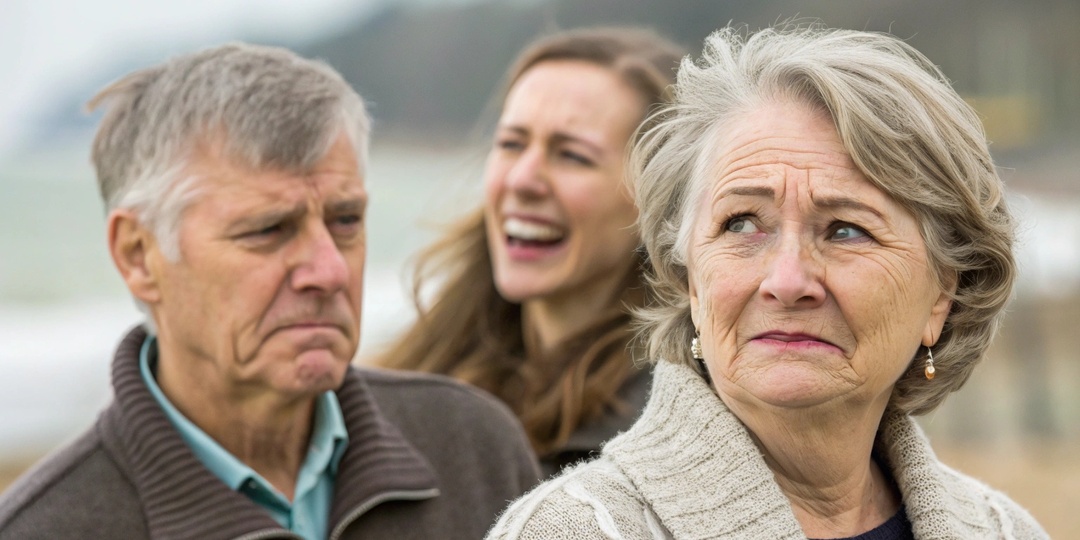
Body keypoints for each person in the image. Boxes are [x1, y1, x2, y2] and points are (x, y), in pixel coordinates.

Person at [487, 24, 1050, 539]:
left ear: (943, 293)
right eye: (742, 223)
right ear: (689, 278)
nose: (787, 281)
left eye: (846, 230)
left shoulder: (1005, 530)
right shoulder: (575, 530)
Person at [0, 43, 539, 540]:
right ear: (138, 255)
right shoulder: (45, 528)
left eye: (345, 220)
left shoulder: (474, 447)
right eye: (267, 230)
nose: (328, 271)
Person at [373, 27, 685, 478]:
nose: (522, 179)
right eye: (511, 144)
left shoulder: (672, 431)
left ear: (659, 197)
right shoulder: (414, 381)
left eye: (572, 155)